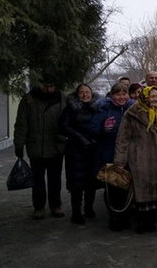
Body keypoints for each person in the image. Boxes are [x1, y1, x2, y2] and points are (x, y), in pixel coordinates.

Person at [114, 86, 157, 233]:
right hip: (139, 158)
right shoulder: (132, 113)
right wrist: (120, 161)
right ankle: (141, 221)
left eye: (156, 97)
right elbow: (123, 139)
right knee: (141, 189)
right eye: (151, 97)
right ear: (144, 97)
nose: (154, 99)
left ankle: (152, 220)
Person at [14, 77, 67, 219]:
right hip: (35, 146)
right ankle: (39, 207)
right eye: (45, 86)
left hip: (56, 146)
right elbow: (21, 123)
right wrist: (19, 144)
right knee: (37, 180)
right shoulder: (29, 99)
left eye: (51, 86)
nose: (48, 89)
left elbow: (69, 120)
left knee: (55, 179)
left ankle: (56, 205)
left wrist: (66, 139)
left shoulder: (62, 98)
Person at [91, 83, 134, 230]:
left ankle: (125, 216)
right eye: (118, 94)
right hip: (108, 154)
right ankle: (114, 217)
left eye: (124, 94)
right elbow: (93, 130)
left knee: (127, 187)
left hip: (129, 155)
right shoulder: (104, 109)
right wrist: (104, 128)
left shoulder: (132, 109)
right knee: (112, 187)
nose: (121, 97)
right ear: (112, 95)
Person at [61, 84, 99, 224]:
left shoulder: (97, 107)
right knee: (76, 183)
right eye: (81, 93)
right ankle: (76, 212)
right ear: (77, 95)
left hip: (93, 148)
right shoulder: (70, 109)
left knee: (92, 181)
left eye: (87, 92)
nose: (85, 95)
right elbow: (64, 127)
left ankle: (89, 208)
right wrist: (80, 138)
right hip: (75, 150)